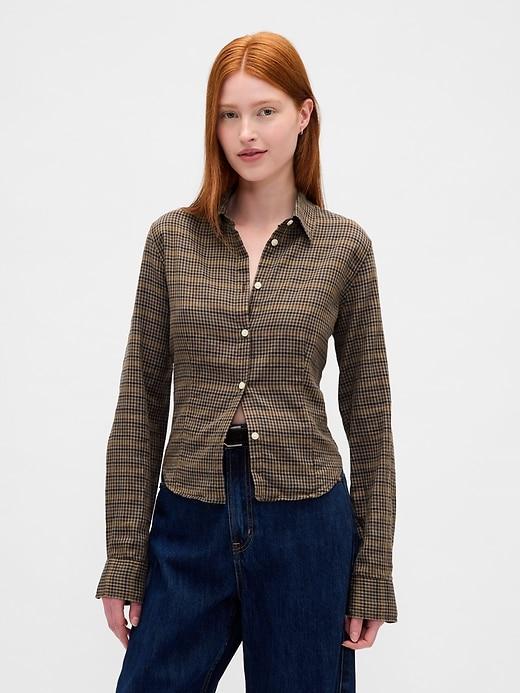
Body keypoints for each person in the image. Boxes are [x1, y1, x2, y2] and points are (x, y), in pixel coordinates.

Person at [95, 30, 398, 692]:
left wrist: (373, 567)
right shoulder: (172, 241)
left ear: (304, 114)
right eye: (229, 114)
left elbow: (370, 413)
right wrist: (124, 557)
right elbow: (140, 401)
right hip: (189, 521)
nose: (246, 133)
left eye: (266, 111)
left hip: (306, 527)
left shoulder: (345, 248)